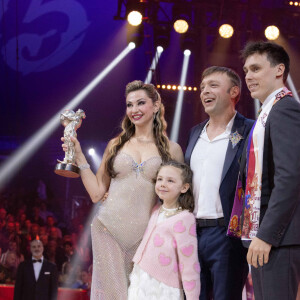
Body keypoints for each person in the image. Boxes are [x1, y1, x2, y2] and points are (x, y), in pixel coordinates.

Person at [62, 80, 184, 299]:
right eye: (129, 105)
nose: (134, 110)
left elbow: (178, 202)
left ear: (156, 105)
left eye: (140, 103)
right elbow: (97, 192)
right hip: (108, 229)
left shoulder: (171, 149)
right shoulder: (116, 144)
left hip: (147, 236)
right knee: (114, 295)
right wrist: (79, 155)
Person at [185, 66, 254, 300]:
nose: (205, 91)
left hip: (227, 233)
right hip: (192, 232)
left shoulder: (249, 130)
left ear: (234, 91)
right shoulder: (195, 133)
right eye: (203, 87)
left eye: (213, 85)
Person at [240, 41, 300, 300]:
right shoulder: (267, 113)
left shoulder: (285, 109)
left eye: (255, 68)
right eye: (246, 71)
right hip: (267, 236)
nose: (248, 77)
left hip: (278, 237)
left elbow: (290, 176)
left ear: (279, 70)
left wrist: (266, 235)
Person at [128, 160, 200, 299]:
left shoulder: (185, 218)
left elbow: (189, 263)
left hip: (164, 287)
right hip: (141, 277)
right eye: (160, 179)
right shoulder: (156, 210)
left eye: (170, 181)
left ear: (184, 187)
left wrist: (192, 297)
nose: (162, 184)